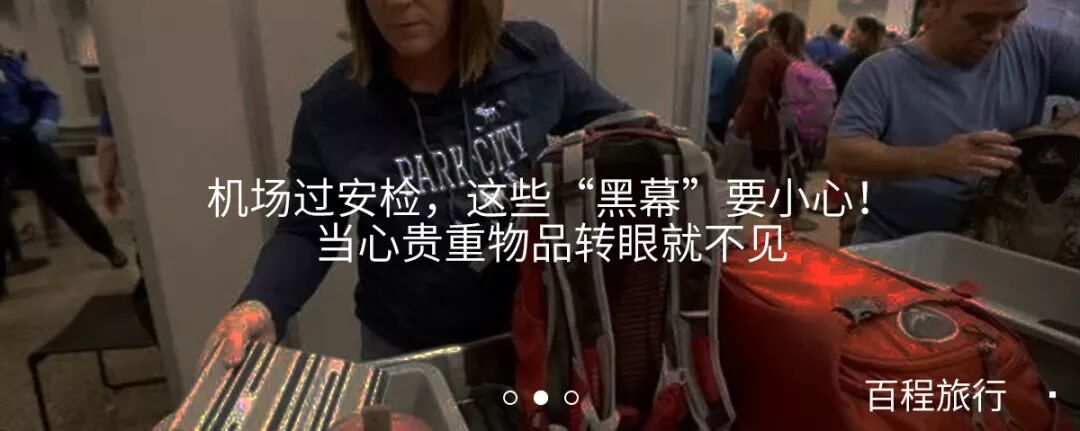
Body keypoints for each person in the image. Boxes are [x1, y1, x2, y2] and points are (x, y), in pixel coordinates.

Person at [203, 0, 629, 367]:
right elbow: (308, 229)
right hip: (405, 347)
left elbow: (630, 140)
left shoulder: (532, 61)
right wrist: (261, 303)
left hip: (532, 332)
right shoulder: (334, 108)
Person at [826, 0, 1080, 245]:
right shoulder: (882, 72)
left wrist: (1063, 137)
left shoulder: (1036, 47)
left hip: (996, 245)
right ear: (935, 6)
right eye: (978, 19)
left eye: (1010, 17)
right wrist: (937, 159)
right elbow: (842, 153)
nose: (995, 35)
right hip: (897, 242)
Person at [0, 49, 127, 298]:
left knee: (67, 196)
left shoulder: (7, 64)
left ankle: (107, 248)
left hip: (24, 139)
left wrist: (48, 119)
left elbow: (44, 95)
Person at [733, 11, 819, 232]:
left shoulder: (768, 58)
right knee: (791, 173)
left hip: (770, 130)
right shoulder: (804, 59)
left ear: (772, 33)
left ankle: (741, 225)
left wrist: (740, 125)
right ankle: (789, 217)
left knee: (747, 178)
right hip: (797, 131)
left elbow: (755, 98)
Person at [829, 16, 887, 95]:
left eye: (854, 31)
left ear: (866, 35)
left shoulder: (853, 61)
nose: (849, 35)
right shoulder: (883, 58)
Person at [708, 25, 737, 142]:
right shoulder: (731, 58)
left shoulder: (711, 58)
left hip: (712, 113)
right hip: (725, 112)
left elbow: (715, 90)